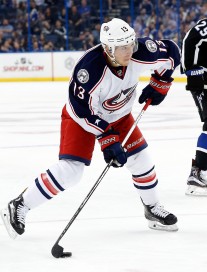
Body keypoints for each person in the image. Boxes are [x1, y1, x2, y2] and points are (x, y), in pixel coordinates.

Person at [1, 18, 180, 239]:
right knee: (71, 171)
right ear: (108, 49)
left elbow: (172, 52)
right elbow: (80, 110)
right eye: (122, 47)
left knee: (141, 159)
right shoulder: (89, 69)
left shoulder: (141, 51)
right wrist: (107, 137)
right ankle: (20, 204)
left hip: (120, 115)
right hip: (83, 119)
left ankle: (152, 208)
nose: (129, 51)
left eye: (130, 44)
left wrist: (160, 83)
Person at [181, 18, 207, 196]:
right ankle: (197, 172)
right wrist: (191, 70)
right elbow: (189, 40)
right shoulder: (203, 27)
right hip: (201, 82)